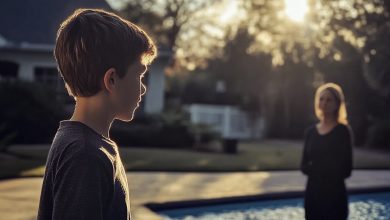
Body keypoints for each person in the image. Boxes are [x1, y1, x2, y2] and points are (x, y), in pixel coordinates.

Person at [37, 8, 156, 220]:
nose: (143, 88)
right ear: (111, 80)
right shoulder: (85, 154)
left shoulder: (89, 145)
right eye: (139, 75)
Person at [301, 83, 353, 220]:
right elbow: (304, 165)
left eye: (329, 99)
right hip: (313, 195)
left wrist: (319, 169)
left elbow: (347, 169)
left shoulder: (343, 132)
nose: (324, 103)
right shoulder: (310, 132)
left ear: (337, 104)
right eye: (321, 99)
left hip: (334, 196)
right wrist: (322, 169)